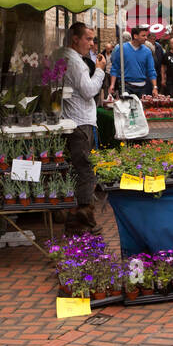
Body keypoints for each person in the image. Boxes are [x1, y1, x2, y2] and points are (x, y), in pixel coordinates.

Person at [62, 22, 106, 230]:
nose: (91, 44)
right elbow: (89, 91)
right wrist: (99, 71)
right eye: (88, 39)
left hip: (74, 118)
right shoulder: (76, 62)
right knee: (86, 169)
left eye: (92, 39)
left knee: (80, 167)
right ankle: (84, 216)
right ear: (75, 39)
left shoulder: (67, 57)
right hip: (81, 120)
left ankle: (75, 215)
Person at [107, 25, 157, 99]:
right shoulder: (121, 48)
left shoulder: (147, 51)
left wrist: (155, 87)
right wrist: (112, 85)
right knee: (126, 110)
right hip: (126, 87)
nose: (146, 38)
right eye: (143, 35)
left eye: (146, 36)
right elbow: (115, 68)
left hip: (142, 88)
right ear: (135, 36)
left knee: (140, 110)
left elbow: (151, 70)